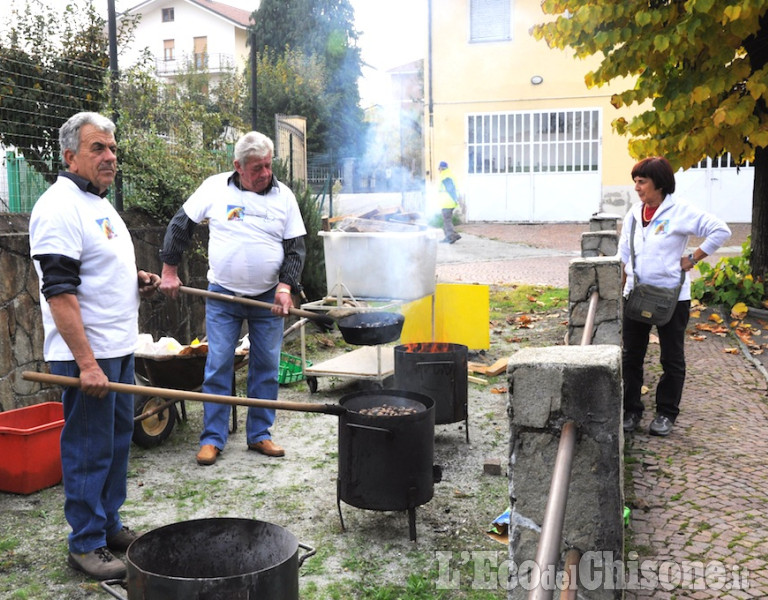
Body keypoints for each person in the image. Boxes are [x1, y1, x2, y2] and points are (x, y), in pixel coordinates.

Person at [29, 112, 161, 580]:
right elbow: (60, 292)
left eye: (112, 148)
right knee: (89, 448)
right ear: (70, 156)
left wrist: (136, 280)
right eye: (98, 149)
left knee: (117, 442)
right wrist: (86, 364)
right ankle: (85, 543)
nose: (110, 157)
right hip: (90, 354)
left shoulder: (99, 203)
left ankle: (108, 525)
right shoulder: (58, 206)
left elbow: (98, 272)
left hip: (119, 346)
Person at [159, 131, 306, 466]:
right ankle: (213, 438)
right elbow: (180, 226)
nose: (266, 173)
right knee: (219, 363)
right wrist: (169, 271)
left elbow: (295, 248)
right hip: (223, 294)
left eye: (269, 166)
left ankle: (260, 434)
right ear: (238, 166)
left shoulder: (283, 196)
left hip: (268, 297)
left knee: (266, 364)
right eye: (257, 168)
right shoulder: (215, 188)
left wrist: (286, 287)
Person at [619, 156, 731, 437]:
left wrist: (693, 258)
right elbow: (623, 257)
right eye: (635, 180)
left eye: (642, 181)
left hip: (671, 298)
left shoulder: (680, 211)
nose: (637, 187)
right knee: (631, 356)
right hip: (636, 294)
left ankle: (666, 413)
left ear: (659, 184)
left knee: (671, 358)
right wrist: (621, 291)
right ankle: (631, 410)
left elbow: (721, 230)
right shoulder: (634, 213)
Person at [437, 161, 461, 243]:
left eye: (439, 168)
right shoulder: (450, 174)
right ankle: (454, 234)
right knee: (447, 220)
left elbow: (450, 189)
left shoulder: (445, 176)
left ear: (441, 168)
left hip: (447, 202)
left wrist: (455, 199)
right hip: (449, 201)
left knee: (447, 220)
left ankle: (450, 237)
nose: (438, 170)